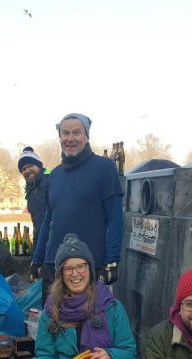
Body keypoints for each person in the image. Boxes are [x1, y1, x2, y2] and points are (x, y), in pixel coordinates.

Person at [30, 113, 123, 306]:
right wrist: (37, 259)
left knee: (88, 330)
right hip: (53, 265)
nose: (70, 138)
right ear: (60, 138)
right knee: (53, 327)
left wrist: (112, 260)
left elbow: (115, 216)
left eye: (76, 132)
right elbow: (49, 220)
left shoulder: (104, 168)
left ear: (87, 136)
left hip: (86, 267)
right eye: (65, 133)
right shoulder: (54, 175)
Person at [17, 146, 49, 250]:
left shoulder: (51, 181)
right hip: (40, 245)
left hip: (55, 245)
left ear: (39, 166)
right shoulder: (30, 191)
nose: (26, 171)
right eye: (23, 169)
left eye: (30, 166)